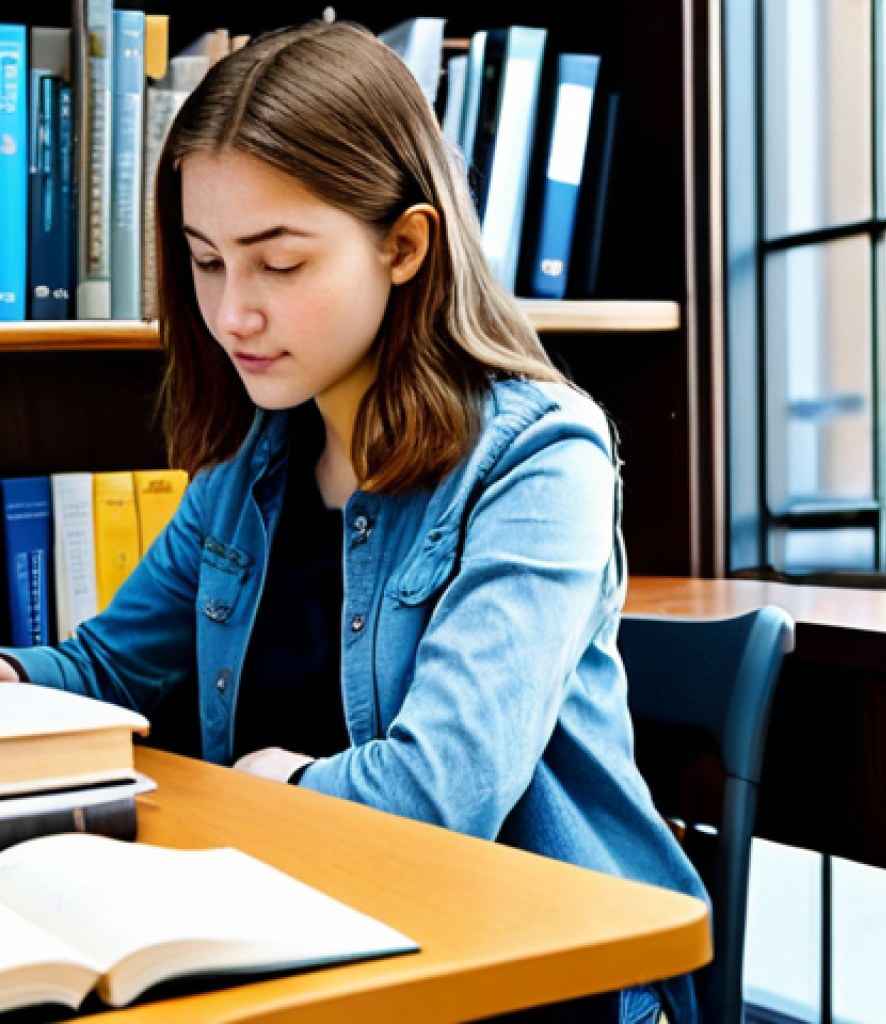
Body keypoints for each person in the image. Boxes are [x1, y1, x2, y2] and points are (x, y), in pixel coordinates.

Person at [0, 21, 706, 1023]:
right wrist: (15, 680)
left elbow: (440, 790)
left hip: (529, 976)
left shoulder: (541, 462)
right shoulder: (256, 460)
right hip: (313, 934)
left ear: (404, 244)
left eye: (277, 265)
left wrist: (279, 780)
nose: (232, 313)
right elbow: (115, 667)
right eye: (205, 262)